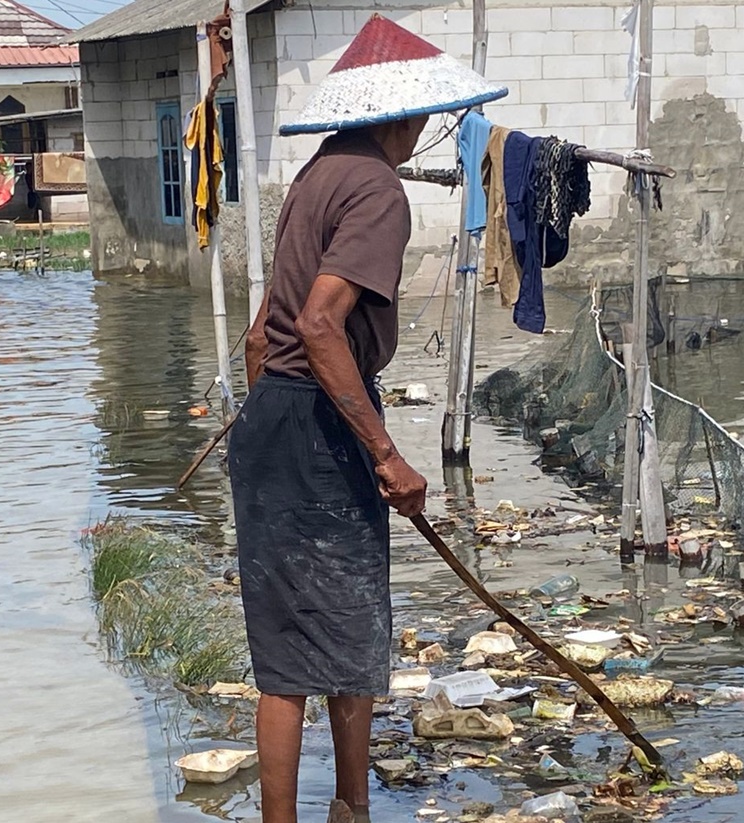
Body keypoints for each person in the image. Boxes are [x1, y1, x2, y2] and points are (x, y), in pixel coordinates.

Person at [227, 16, 507, 823]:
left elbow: (260, 336)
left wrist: (261, 425)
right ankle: (350, 806)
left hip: (273, 416)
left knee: (286, 655)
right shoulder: (378, 190)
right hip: (317, 420)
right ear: (407, 118)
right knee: (350, 628)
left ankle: (337, 810)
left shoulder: (317, 176)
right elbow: (318, 324)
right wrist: (386, 454)